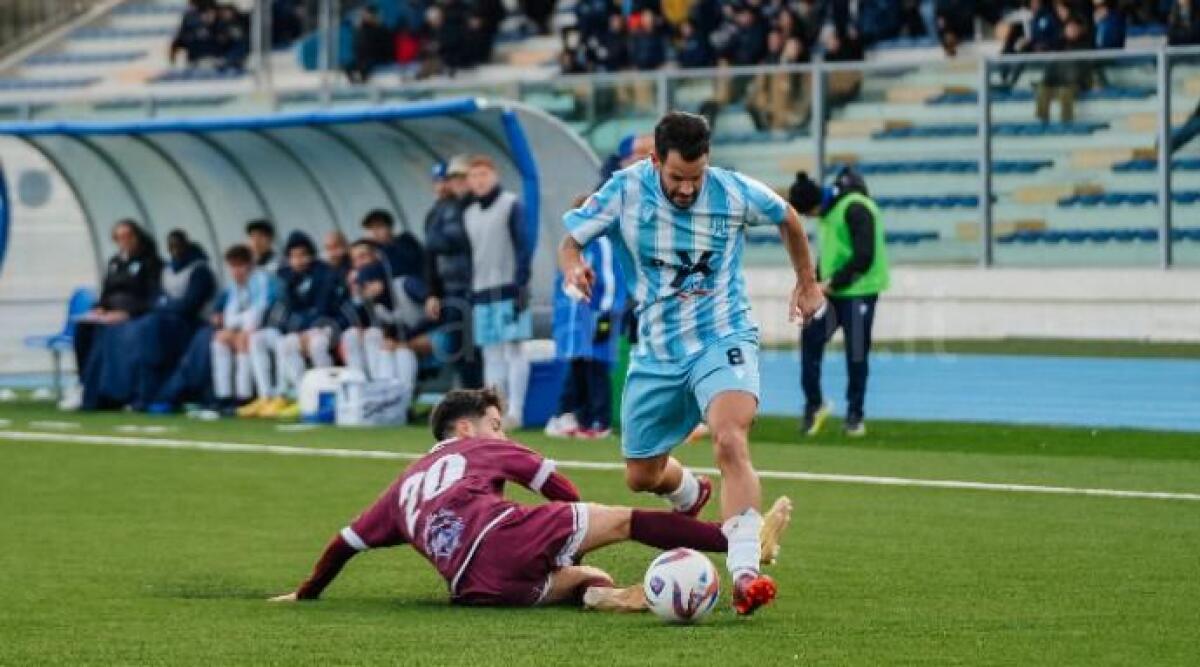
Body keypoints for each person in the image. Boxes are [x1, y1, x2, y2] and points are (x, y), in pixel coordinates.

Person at [559, 111, 825, 615]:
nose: (686, 189)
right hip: (657, 350)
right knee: (640, 475)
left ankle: (745, 571)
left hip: (723, 334)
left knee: (729, 436)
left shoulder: (731, 191)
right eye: (677, 178)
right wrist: (574, 268)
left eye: (696, 177)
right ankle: (688, 490)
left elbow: (788, 217)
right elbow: (570, 241)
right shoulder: (624, 190)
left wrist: (807, 281)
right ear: (655, 160)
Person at [268, 388, 794, 609]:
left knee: (587, 582)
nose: (501, 433)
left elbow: (343, 544)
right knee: (624, 520)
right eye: (496, 425)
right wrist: (582, 525)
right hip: (507, 537)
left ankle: (606, 595)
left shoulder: (401, 488)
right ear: (467, 426)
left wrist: (306, 593)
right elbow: (556, 487)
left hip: (476, 588)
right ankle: (742, 541)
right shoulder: (479, 448)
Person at [788, 169, 889, 438]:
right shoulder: (828, 213)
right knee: (810, 339)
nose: (810, 218)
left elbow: (864, 257)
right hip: (833, 293)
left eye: (807, 213)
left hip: (860, 291)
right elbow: (830, 254)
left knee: (856, 354)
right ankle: (815, 404)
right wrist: (813, 284)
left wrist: (830, 283)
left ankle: (855, 415)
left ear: (814, 205)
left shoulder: (856, 208)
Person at [463, 156, 534, 428]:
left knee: (515, 349)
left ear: (495, 175)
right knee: (491, 354)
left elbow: (522, 247)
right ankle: (496, 412)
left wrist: (522, 283)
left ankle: (517, 409)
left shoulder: (510, 204)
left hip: (508, 287)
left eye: (483, 174)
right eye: (474, 176)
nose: (479, 181)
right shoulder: (468, 214)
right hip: (482, 290)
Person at [64, 220, 163, 411]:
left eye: (127, 237)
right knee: (83, 330)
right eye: (119, 238)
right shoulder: (115, 262)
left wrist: (126, 313)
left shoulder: (150, 262)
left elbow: (152, 297)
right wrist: (100, 308)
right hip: (109, 314)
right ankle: (84, 381)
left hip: (133, 315)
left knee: (107, 334)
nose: (123, 241)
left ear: (136, 237)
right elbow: (107, 292)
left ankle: (104, 392)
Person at [544, 208, 626, 440]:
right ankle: (580, 419)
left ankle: (600, 422)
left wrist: (606, 316)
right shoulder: (573, 249)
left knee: (596, 369)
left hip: (596, 317)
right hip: (575, 323)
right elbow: (564, 288)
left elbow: (611, 282)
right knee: (579, 367)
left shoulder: (603, 245)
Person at [241, 231, 337, 419]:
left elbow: (322, 308)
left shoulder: (324, 274)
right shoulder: (286, 277)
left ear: (311, 255)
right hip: (299, 329)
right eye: (294, 256)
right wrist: (296, 328)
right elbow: (282, 311)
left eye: (303, 255)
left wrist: (304, 328)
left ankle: (327, 395)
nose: (299, 260)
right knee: (263, 339)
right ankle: (273, 396)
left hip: (326, 326)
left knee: (316, 344)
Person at [137, 230, 218, 411]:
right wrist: (168, 305)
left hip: (193, 323)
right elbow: (155, 299)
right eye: (171, 245)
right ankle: (148, 395)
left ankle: (170, 394)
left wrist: (166, 305)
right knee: (148, 328)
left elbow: (189, 305)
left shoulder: (200, 271)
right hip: (167, 321)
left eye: (177, 245)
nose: (174, 249)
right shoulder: (166, 270)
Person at [424, 157, 483, 389]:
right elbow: (430, 255)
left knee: (478, 349)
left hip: (475, 287)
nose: (446, 185)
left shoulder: (476, 205)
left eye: (457, 179)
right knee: (459, 348)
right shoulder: (438, 211)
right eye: (447, 179)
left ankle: (481, 400)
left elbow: (454, 242)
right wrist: (432, 292)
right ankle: (470, 398)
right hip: (451, 290)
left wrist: (440, 240)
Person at [210, 244, 276, 415]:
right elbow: (228, 318)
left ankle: (244, 396)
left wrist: (238, 325)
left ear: (250, 265)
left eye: (240, 266)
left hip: (274, 329)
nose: (236, 271)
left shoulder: (262, 280)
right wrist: (235, 326)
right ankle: (223, 396)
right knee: (220, 338)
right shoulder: (234, 286)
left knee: (244, 339)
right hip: (251, 329)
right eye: (232, 266)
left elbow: (258, 315)